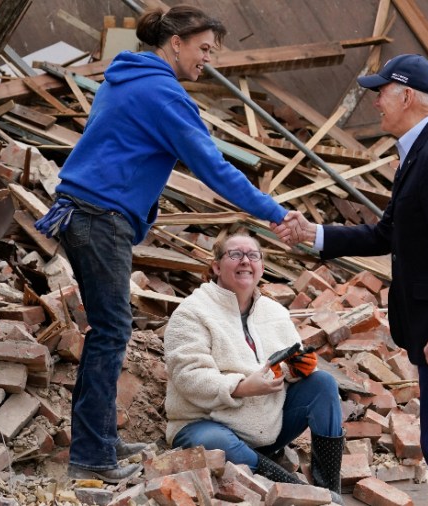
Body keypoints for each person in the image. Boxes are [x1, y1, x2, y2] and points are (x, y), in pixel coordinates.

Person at [36, 5, 292, 482]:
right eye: (203, 49)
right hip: (98, 216)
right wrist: (274, 212)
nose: (206, 60)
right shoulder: (162, 93)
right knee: (110, 334)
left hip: (84, 212)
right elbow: (213, 169)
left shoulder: (126, 77)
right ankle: (92, 456)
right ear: (175, 42)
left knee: (109, 331)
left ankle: (101, 442)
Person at [277, 54, 428, 506]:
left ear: (405, 95)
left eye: (380, 92)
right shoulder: (421, 152)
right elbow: (387, 233)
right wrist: (315, 234)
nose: (375, 102)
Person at [164, 229, 344, 503]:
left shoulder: (276, 313)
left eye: (253, 255)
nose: (245, 261)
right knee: (218, 443)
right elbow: (188, 376)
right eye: (235, 254)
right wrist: (241, 388)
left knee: (323, 384)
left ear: (261, 266)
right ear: (216, 266)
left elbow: (286, 367)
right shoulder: (192, 312)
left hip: (266, 427)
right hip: (207, 423)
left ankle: (329, 489)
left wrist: (297, 370)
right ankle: (298, 491)